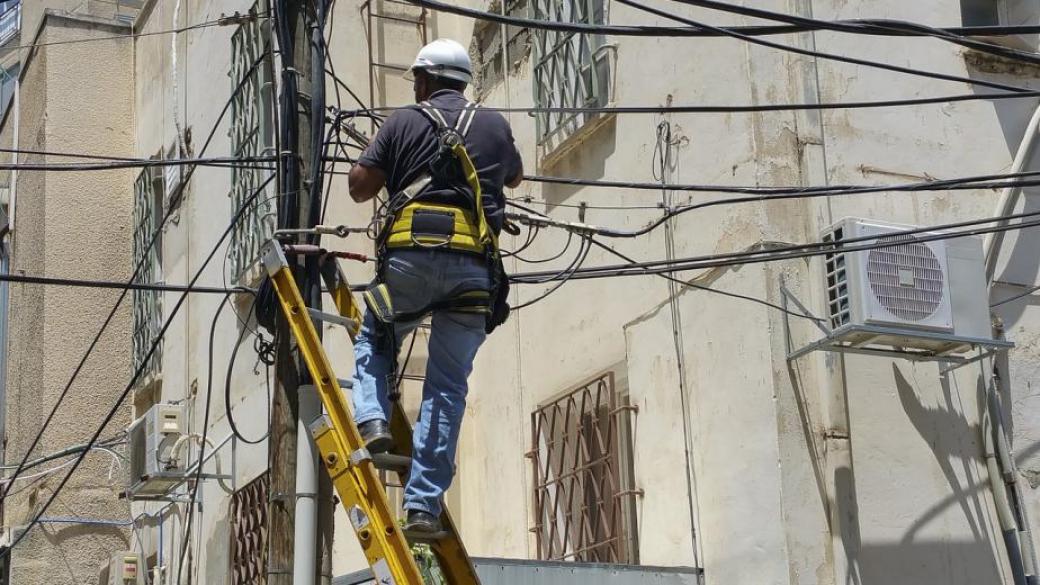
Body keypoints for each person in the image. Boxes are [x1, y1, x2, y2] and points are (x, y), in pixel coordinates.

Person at [346, 38, 523, 534]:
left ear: (424, 80)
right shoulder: (492, 124)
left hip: (410, 262)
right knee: (446, 390)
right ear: (464, 82)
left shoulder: (404, 120)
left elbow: (360, 187)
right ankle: (423, 506)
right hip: (473, 273)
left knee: (376, 334)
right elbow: (515, 178)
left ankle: (373, 420)